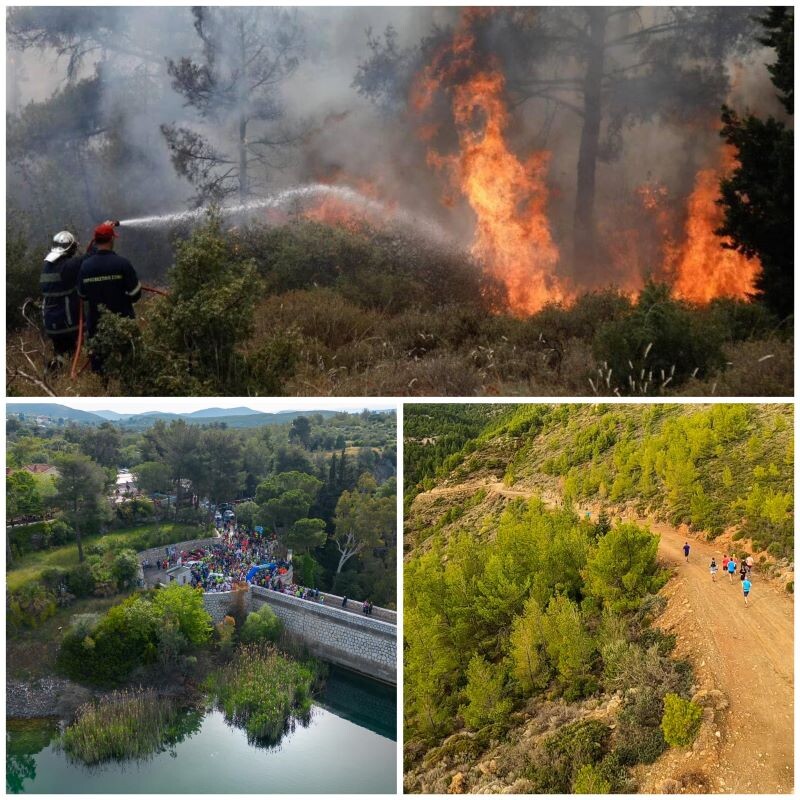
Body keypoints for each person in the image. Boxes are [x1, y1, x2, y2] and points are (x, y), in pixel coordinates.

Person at [77, 222, 142, 371]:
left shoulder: (85, 266)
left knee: (99, 367)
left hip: (96, 325)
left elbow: (82, 295)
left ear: (96, 241)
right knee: (129, 364)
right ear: (112, 240)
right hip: (123, 323)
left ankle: (103, 389)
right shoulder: (122, 264)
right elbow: (136, 294)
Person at [40, 230, 85, 367]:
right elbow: (90, 256)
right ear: (70, 248)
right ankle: (56, 373)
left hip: (51, 322)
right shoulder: (68, 266)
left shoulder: (47, 266)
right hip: (67, 322)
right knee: (71, 352)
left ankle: (52, 374)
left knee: (62, 353)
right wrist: (99, 237)